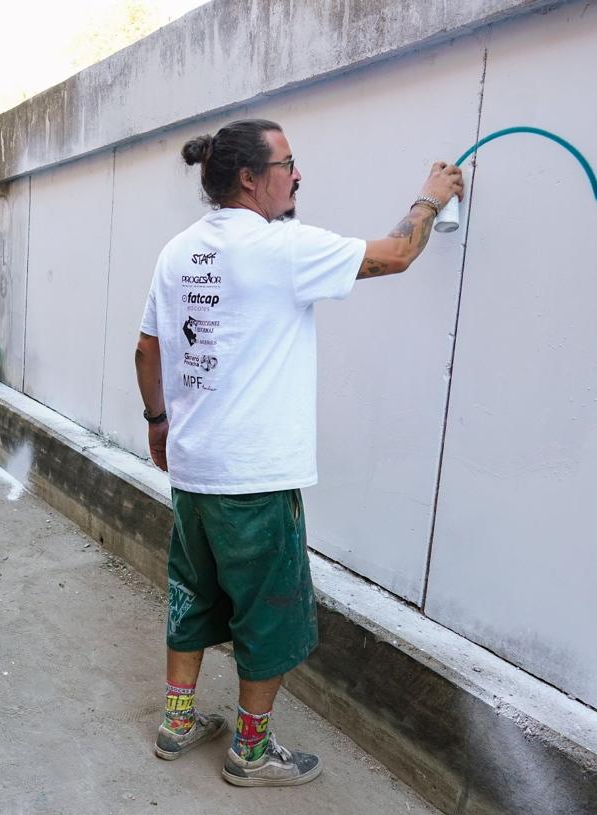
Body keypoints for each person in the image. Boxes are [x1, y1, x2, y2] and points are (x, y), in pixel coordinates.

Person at [134, 119, 463, 787]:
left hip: (195, 473)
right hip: (253, 475)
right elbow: (397, 253)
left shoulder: (178, 251)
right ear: (250, 178)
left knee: (191, 594)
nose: (298, 173)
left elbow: (147, 349)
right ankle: (250, 751)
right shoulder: (279, 249)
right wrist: (429, 197)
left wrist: (159, 423)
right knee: (270, 612)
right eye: (287, 163)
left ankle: (176, 721)